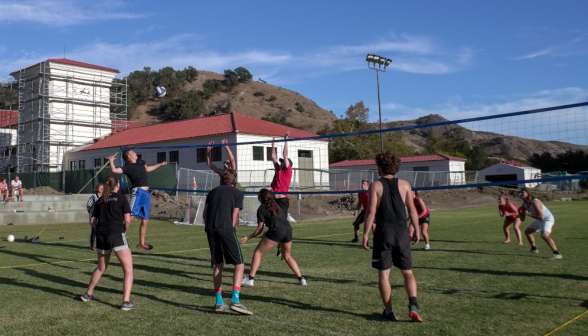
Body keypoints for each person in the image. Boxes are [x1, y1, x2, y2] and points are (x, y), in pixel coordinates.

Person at [363, 150, 422, 322]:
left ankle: (389, 311)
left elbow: (371, 211)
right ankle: (413, 304)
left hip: (384, 232)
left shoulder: (376, 185)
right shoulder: (405, 185)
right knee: (407, 272)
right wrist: (416, 230)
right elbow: (412, 210)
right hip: (402, 231)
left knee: (384, 275)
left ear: (380, 167)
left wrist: (365, 233)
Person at [80, 175, 137, 310]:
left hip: (101, 236)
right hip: (116, 234)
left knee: (101, 268)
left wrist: (100, 230)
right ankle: (126, 302)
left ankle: (88, 294)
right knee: (128, 269)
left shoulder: (100, 200)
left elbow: (92, 222)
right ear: (117, 185)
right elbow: (127, 220)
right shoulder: (122, 198)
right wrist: (123, 230)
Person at [203, 169, 252, 315]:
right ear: (234, 181)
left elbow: (205, 215)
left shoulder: (212, 192)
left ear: (222, 180)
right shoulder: (237, 193)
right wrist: (231, 230)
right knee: (240, 264)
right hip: (225, 227)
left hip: (210, 228)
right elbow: (234, 216)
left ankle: (219, 302)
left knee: (219, 264)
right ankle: (235, 300)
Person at [241, 189, 307, 287]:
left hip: (277, 231)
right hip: (288, 230)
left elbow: (259, 229)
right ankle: (301, 279)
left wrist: (248, 237)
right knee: (287, 256)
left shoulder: (261, 209)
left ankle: (250, 279)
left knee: (258, 252)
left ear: (260, 198)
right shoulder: (276, 205)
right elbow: (277, 221)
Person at [107, 149, 167, 250]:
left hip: (146, 194)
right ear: (128, 157)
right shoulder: (127, 167)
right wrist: (111, 161)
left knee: (145, 220)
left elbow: (147, 169)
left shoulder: (141, 163)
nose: (135, 153)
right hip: (138, 192)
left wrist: (160, 164)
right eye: (133, 153)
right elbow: (114, 171)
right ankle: (118, 242)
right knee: (129, 217)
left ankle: (141, 243)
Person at [518, 187, 562, 259]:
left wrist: (529, 214)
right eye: (520, 192)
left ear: (528, 193)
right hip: (540, 219)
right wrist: (520, 212)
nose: (520, 193)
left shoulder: (535, 202)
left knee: (544, 236)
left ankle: (556, 253)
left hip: (547, 219)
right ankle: (534, 249)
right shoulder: (525, 203)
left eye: (522, 192)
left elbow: (542, 217)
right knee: (527, 232)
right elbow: (522, 218)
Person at [270, 132, 294, 257]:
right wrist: (273, 144)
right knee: (273, 221)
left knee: (282, 222)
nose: (281, 162)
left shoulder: (288, 171)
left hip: (283, 200)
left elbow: (285, 155)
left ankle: (282, 247)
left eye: (284, 161)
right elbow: (273, 157)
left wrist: (285, 141)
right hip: (274, 200)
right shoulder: (278, 170)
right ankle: (275, 241)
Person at [86, 184, 104, 251]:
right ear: (97, 189)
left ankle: (101, 245)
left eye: (103, 188)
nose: (102, 189)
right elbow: (88, 206)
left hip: (101, 216)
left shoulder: (103, 197)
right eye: (100, 188)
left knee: (101, 231)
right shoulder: (93, 197)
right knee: (94, 231)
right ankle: (92, 246)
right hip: (94, 216)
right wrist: (92, 215)